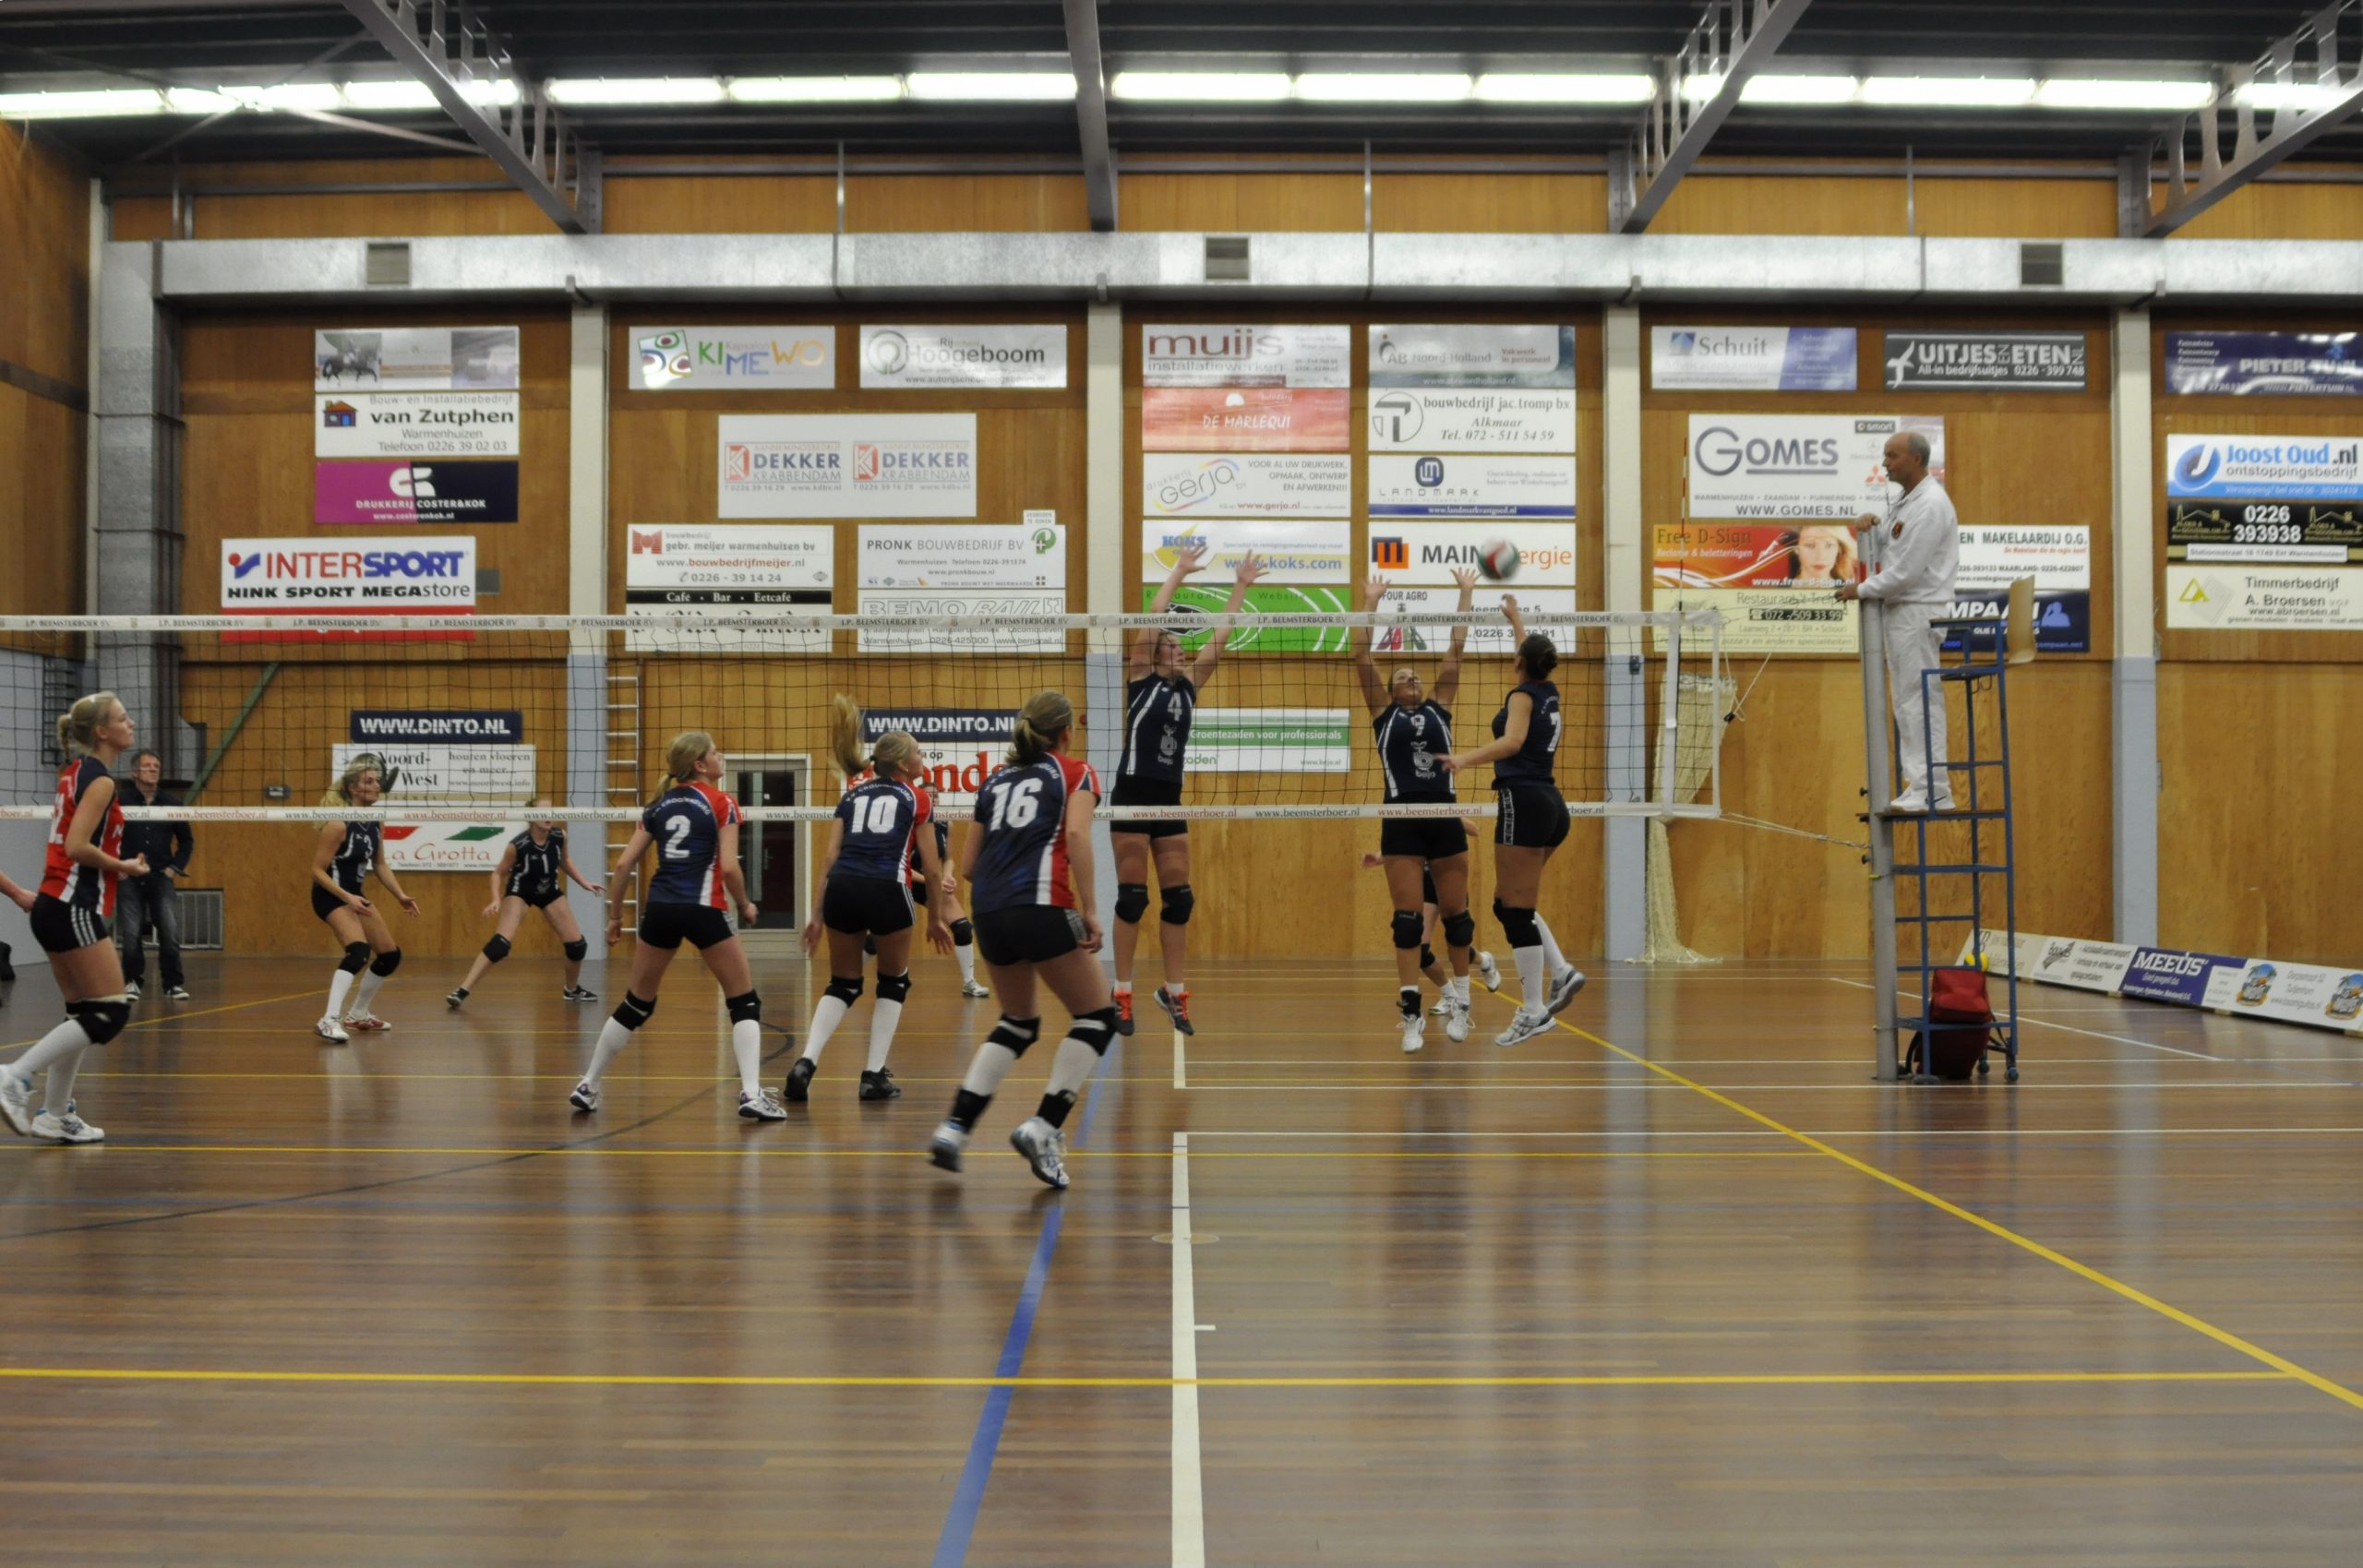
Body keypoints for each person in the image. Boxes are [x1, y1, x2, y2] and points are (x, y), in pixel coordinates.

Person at [928, 690, 1116, 1190]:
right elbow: (1077, 837)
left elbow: (967, 867)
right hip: (1042, 905)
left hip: (989, 912)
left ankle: (954, 1128)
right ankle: (1043, 1126)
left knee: (1017, 1023)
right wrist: (1092, 909)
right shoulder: (1076, 772)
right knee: (1098, 1018)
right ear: (1066, 733)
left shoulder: (994, 781)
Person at [571, 731, 784, 1121]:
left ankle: (588, 1084)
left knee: (637, 1003)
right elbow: (731, 866)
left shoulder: (658, 806)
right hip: (704, 907)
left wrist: (615, 918)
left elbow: (622, 866)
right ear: (700, 765)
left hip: (661, 909)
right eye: (716, 753)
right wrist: (745, 904)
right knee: (744, 1001)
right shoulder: (723, 803)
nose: (722, 757)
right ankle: (752, 1093)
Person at [1110, 542, 1265, 1038]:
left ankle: (1174, 993)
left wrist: (1239, 587)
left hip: (1168, 801)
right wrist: (1177, 572)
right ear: (1153, 656)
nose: (1180, 651)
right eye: (1171, 648)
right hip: (1133, 796)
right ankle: (1122, 993)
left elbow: (1220, 637)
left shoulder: (1189, 686)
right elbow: (1154, 616)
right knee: (1133, 899)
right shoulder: (1140, 680)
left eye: (1182, 648)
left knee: (1181, 901)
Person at [785, 699, 954, 1105]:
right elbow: (931, 869)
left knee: (843, 983)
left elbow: (829, 859)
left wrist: (816, 914)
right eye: (917, 752)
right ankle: (873, 1075)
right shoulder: (917, 798)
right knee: (893, 982)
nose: (922, 757)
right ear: (902, 765)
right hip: (886, 889)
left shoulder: (851, 796)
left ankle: (806, 1062)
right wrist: (935, 918)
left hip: (842, 888)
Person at [0, 694, 147, 1143]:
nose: (131, 724)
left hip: (52, 905)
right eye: (122, 719)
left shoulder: (74, 774)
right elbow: (78, 847)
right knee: (111, 1012)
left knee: (80, 1014)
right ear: (101, 732)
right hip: (71, 905)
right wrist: (123, 867)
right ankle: (15, 1076)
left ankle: (54, 1113)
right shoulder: (99, 781)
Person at [1443, 598, 1587, 1047]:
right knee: (1508, 904)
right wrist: (1516, 620)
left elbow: (1513, 741)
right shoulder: (1547, 691)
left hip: (1522, 802)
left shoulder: (1522, 695)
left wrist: (1464, 759)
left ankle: (1533, 1010)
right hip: (1550, 805)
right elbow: (1531, 654)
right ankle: (1561, 971)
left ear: (1520, 664)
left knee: (1516, 912)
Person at [1353, 569, 1482, 1053]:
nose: (1413, 678)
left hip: (1444, 816)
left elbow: (1456, 649)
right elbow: (1360, 654)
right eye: (1403, 676)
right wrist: (1371, 602)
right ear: (1390, 689)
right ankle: (1411, 1016)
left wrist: (1466, 593)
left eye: (1416, 676)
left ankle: (1464, 1004)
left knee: (1456, 917)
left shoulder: (1440, 707)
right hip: (1402, 821)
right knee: (1407, 922)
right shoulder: (1383, 714)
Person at [1837, 429, 1960, 813]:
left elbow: (1905, 573)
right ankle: (1919, 784)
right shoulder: (1908, 502)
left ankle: (1935, 787)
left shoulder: (1931, 505)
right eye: (1885, 456)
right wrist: (1873, 525)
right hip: (1903, 612)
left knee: (1919, 699)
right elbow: (1894, 550)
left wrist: (1859, 590)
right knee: (1907, 703)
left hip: (1918, 611)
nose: (1885, 463)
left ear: (1917, 460)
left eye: (1893, 456)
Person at [445, 799, 606, 1011]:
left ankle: (572, 990)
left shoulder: (560, 836)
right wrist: (495, 899)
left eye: (551, 810)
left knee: (577, 946)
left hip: (549, 891)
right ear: (531, 816)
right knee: (500, 945)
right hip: (520, 891)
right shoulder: (518, 845)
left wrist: (583, 882)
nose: (548, 815)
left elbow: (564, 860)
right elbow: (497, 873)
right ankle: (462, 990)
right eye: (543, 811)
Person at [309, 755, 419, 1043]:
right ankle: (328, 1019)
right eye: (369, 781)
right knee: (358, 952)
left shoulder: (375, 820)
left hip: (355, 896)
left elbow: (380, 865)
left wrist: (401, 896)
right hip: (330, 894)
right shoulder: (338, 824)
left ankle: (358, 1014)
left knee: (390, 956)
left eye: (376, 780)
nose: (376, 785)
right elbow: (316, 870)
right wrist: (347, 897)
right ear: (354, 789)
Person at [114, 748, 193, 1003]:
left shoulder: (172, 804)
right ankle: (132, 981)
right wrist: (117, 866)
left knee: (169, 930)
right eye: (147, 765)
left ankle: (172, 984)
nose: (153, 769)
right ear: (134, 772)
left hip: (161, 875)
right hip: (129, 876)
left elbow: (187, 842)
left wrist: (174, 868)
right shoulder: (120, 801)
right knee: (131, 931)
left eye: (156, 765)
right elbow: (107, 836)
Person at [1783, 523, 1858, 588]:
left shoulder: (1851, 594)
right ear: (1796, 549)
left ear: (1839, 549)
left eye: (1829, 545)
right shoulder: (1776, 593)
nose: (1820, 556)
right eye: (1810, 545)